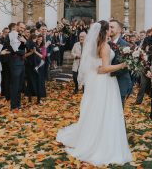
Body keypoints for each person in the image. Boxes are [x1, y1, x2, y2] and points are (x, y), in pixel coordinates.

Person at [56, 21, 132, 166]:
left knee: (98, 111)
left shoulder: (97, 45)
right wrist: (123, 65)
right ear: (104, 32)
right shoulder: (104, 46)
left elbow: (97, 66)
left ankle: (96, 136)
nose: (111, 30)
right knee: (104, 111)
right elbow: (103, 69)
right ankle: (101, 142)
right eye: (108, 28)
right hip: (104, 82)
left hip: (98, 82)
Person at [109, 19, 132, 105]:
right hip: (108, 82)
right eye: (108, 27)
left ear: (119, 30)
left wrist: (107, 72)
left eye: (112, 27)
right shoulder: (106, 44)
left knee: (118, 109)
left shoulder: (125, 45)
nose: (109, 29)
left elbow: (124, 66)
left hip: (121, 82)